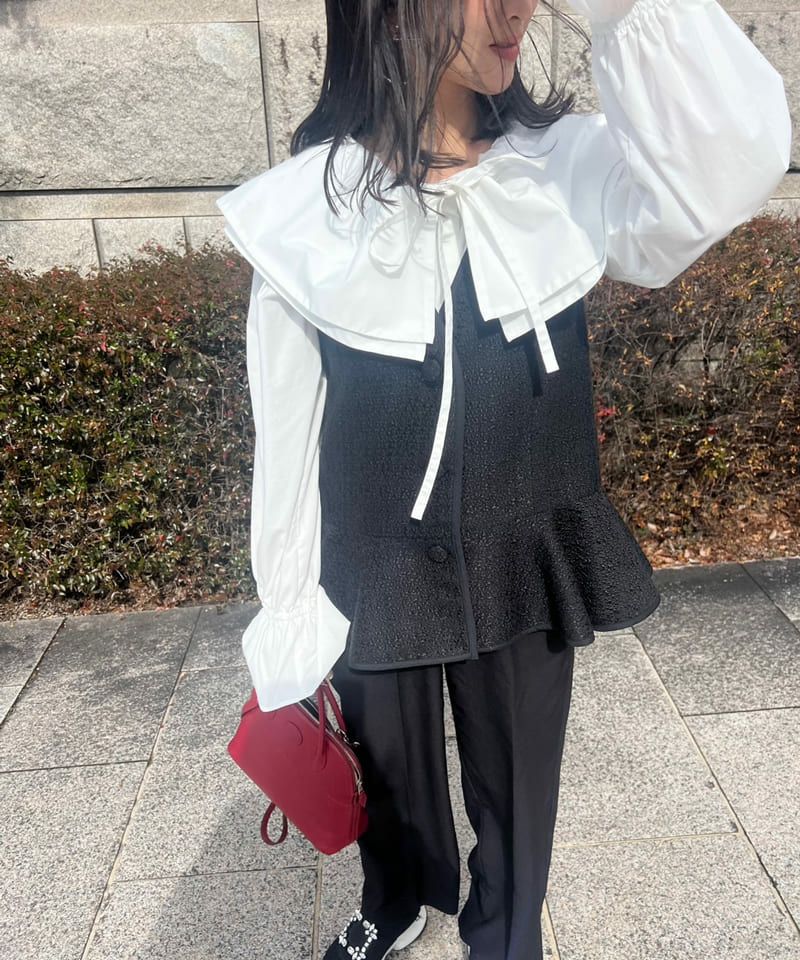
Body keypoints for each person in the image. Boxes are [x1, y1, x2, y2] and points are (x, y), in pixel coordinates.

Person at [215, 0, 792, 956]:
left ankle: (508, 936)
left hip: (526, 545)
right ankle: (393, 901)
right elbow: (287, 428)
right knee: (386, 768)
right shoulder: (308, 207)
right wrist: (288, 603)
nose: (516, 5)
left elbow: (727, 165)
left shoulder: (565, 168)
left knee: (522, 784)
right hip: (369, 558)